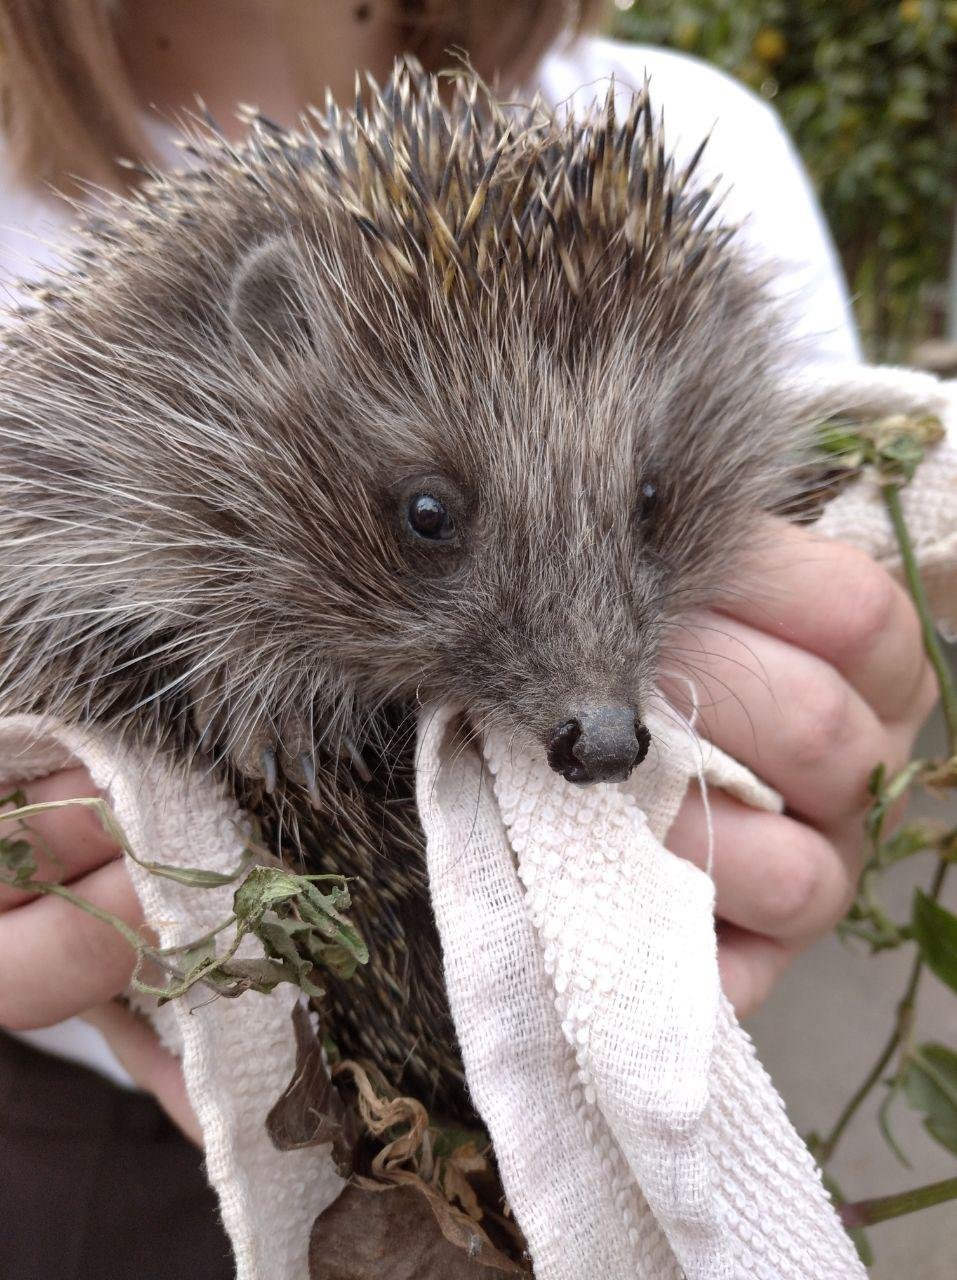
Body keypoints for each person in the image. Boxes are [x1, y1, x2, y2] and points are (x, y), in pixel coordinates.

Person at [0, 2, 938, 1276]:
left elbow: (822, 621)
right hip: (66, 1152)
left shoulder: (718, 140)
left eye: (647, 506)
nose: (596, 711)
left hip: (589, 1144)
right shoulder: (137, 438)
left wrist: (820, 756)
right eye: (428, 518)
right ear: (262, 341)